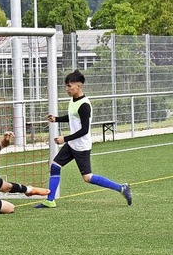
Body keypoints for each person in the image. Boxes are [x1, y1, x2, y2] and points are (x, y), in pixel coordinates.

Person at [34, 70, 132, 209]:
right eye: (66, 86)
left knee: (88, 177)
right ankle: (50, 200)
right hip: (72, 144)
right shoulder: (73, 100)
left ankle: (122, 188)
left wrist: (64, 138)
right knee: (55, 166)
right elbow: (72, 116)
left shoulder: (84, 105)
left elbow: (84, 130)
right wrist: (56, 119)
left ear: (78, 86)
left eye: (69, 86)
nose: (67, 89)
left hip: (81, 146)